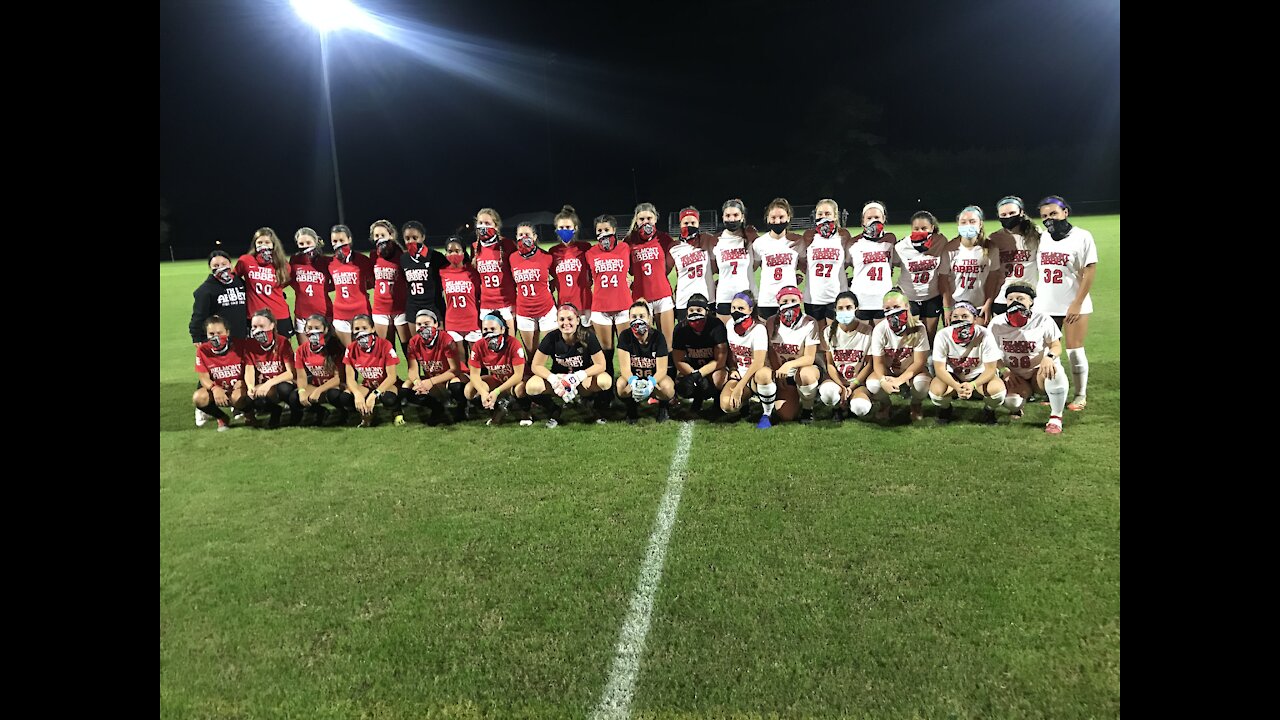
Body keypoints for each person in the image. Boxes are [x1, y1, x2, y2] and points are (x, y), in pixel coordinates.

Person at [1037, 195, 1097, 412]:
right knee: (1049, 354)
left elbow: (1090, 270)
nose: (1049, 219)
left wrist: (1077, 303)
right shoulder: (1043, 237)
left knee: (1074, 351)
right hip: (1045, 303)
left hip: (1073, 302)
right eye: (1044, 216)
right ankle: (1054, 391)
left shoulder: (1082, 236)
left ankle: (1080, 394)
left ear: (1065, 212)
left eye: (1053, 213)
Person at [987, 284, 1069, 434]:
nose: (1015, 302)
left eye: (1020, 298)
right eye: (1010, 299)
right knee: (1012, 402)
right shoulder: (997, 323)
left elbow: (1056, 346)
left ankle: (1056, 417)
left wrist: (1049, 357)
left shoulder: (1042, 319)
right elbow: (990, 353)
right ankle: (1019, 406)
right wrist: (1004, 370)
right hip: (1015, 375)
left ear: (1031, 301)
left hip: (1038, 372)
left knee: (1055, 370)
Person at [526, 303, 611, 427]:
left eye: (570, 319)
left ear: (577, 320)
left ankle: (594, 406)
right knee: (531, 387)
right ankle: (553, 408)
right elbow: (536, 365)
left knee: (605, 381)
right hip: (559, 381)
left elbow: (601, 364)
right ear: (557, 321)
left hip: (582, 381)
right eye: (562, 319)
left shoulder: (588, 336)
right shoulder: (551, 337)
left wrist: (579, 376)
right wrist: (553, 379)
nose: (566, 323)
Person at [191, 251, 250, 428]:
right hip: (216, 338)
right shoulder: (206, 289)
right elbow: (198, 317)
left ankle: (238, 406)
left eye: (223, 264)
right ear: (210, 268)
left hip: (238, 337)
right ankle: (203, 407)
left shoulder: (239, 283)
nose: (220, 268)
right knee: (211, 370)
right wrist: (197, 337)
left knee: (235, 371)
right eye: (215, 266)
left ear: (230, 264)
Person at [928, 301, 1005, 425]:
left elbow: (991, 369)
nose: (960, 320)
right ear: (950, 318)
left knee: (998, 392)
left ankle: (989, 410)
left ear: (975, 319)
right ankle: (945, 409)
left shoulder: (985, 334)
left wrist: (973, 385)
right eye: (955, 316)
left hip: (979, 376)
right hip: (953, 376)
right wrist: (956, 386)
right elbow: (939, 369)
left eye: (965, 316)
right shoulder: (943, 335)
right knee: (936, 392)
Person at [585, 214, 632, 412]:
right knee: (606, 353)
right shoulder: (590, 252)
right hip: (601, 308)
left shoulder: (624, 248)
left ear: (614, 230)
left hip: (622, 306)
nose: (602, 234)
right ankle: (607, 394)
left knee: (626, 351)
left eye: (606, 230)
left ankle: (628, 393)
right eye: (599, 231)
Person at [867, 290, 932, 421]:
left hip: (911, 371)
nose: (892, 312)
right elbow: (878, 363)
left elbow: (919, 362)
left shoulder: (919, 328)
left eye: (897, 307)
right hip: (889, 370)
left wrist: (899, 380)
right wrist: (882, 380)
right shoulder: (880, 329)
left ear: (907, 306)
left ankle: (916, 404)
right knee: (873, 384)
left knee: (922, 384)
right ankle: (885, 404)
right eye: (888, 309)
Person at [719, 290, 776, 429]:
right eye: (733, 308)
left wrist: (739, 387)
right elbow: (731, 352)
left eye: (741, 308)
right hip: (740, 374)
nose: (736, 311)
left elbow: (758, 362)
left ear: (750, 310)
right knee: (727, 405)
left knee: (763, 374)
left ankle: (767, 414)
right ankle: (746, 403)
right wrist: (732, 368)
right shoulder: (730, 325)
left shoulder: (758, 329)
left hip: (756, 376)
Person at [764, 286, 821, 423]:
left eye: (793, 300)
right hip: (783, 373)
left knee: (806, 375)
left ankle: (808, 409)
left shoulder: (809, 322)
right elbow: (771, 351)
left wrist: (789, 365)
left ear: (800, 301)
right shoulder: (771, 322)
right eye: (785, 301)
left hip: (803, 369)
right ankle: (795, 395)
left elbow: (809, 357)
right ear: (778, 303)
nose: (789, 304)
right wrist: (779, 373)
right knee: (786, 415)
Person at [893, 211, 952, 344]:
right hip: (909, 298)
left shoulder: (940, 241)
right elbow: (891, 264)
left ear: (932, 228)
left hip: (931, 296)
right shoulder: (901, 247)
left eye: (924, 228)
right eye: (916, 229)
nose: (920, 231)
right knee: (911, 340)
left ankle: (928, 363)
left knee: (929, 338)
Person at [817, 292, 875, 421]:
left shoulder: (867, 331)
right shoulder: (828, 332)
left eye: (848, 307)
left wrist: (852, 386)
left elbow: (869, 364)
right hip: (836, 380)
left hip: (857, 381)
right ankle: (837, 407)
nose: (845, 311)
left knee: (861, 408)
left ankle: (851, 402)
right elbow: (830, 364)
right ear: (835, 310)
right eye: (841, 308)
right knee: (828, 394)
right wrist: (841, 386)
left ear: (856, 308)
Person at [625, 203, 677, 349]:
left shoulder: (664, 239)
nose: (645, 222)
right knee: (643, 343)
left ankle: (669, 371)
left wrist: (659, 276)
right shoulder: (629, 241)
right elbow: (626, 269)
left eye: (649, 218)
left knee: (667, 343)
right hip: (641, 297)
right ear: (636, 220)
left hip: (663, 295)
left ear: (655, 219)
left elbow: (670, 264)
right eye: (641, 219)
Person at [614, 300, 674, 424]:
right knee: (621, 386)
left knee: (668, 388)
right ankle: (631, 408)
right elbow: (625, 369)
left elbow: (662, 369)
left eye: (642, 316)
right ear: (629, 319)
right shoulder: (625, 336)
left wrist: (651, 383)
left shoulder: (658, 337)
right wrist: (633, 382)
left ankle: (663, 407)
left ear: (649, 318)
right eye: (634, 317)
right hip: (634, 376)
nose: (638, 320)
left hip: (653, 377)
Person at [339, 313, 404, 428]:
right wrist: (357, 394)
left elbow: (392, 377)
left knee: (388, 398)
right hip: (368, 384)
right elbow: (350, 378)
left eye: (364, 328)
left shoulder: (384, 345)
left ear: (373, 328)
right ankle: (366, 415)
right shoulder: (351, 348)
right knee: (346, 397)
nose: (361, 332)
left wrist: (374, 394)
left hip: (387, 384)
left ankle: (397, 411)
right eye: (357, 329)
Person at [800, 198, 854, 331]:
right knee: (817, 337)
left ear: (835, 216)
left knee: (836, 335)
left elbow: (847, 260)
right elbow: (802, 261)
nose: (823, 217)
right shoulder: (809, 236)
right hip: (814, 296)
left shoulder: (843, 235)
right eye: (820, 214)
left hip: (837, 295)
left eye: (827, 214)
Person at [670, 293, 728, 417]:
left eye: (699, 310)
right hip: (691, 368)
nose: (694, 313)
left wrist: (700, 374)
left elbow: (720, 360)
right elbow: (678, 359)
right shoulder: (680, 329)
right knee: (682, 386)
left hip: (712, 368)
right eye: (691, 310)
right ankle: (697, 402)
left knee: (719, 378)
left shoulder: (716, 326)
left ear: (706, 311)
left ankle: (718, 404)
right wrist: (693, 375)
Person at [465, 313, 528, 425]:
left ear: (502, 329)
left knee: (519, 390)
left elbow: (518, 375)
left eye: (493, 329)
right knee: (469, 390)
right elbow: (474, 375)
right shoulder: (479, 345)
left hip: (516, 381)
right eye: (485, 329)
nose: (489, 333)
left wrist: (496, 391)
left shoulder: (513, 344)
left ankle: (525, 411)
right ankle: (498, 409)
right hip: (497, 379)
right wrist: (484, 393)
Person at [404, 309, 464, 425]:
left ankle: (460, 409)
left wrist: (430, 382)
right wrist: (417, 382)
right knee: (406, 388)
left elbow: (455, 370)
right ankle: (438, 409)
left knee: (455, 385)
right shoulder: (413, 342)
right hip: (431, 378)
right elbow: (412, 369)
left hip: (450, 376)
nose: (422, 327)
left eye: (427, 324)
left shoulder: (446, 339)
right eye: (419, 324)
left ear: (436, 324)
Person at [192, 315, 249, 432]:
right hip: (218, 389)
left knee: (237, 397)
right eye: (211, 334)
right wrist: (214, 388)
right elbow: (203, 377)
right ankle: (222, 418)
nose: (215, 337)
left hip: (238, 388)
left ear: (227, 332)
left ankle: (249, 415)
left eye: (219, 333)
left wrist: (244, 382)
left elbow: (250, 368)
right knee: (199, 397)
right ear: (206, 335)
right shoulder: (202, 350)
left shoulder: (240, 346)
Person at [287, 313, 347, 426]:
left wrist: (319, 390)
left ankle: (343, 413)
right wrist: (302, 391)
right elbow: (301, 376)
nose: (313, 331)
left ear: (325, 330)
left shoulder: (335, 347)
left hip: (334, 386)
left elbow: (339, 377)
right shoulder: (301, 350)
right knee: (294, 397)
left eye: (317, 328)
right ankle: (319, 411)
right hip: (316, 384)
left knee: (333, 395)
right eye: (309, 328)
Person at [986, 195, 1040, 317]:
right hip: (1001, 297)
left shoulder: (1035, 234)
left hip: (1027, 296)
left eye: (1012, 213)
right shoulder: (994, 238)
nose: (1008, 217)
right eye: (1003, 215)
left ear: (1021, 212)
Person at [242, 308, 297, 428]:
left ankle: (296, 412)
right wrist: (250, 386)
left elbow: (291, 372)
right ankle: (275, 411)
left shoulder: (282, 342)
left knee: (284, 389)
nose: (257, 330)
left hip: (281, 383)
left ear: (272, 325)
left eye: (261, 326)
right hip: (263, 385)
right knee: (249, 397)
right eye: (254, 326)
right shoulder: (250, 344)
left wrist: (269, 383)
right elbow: (249, 369)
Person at [237, 227, 294, 340]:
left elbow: (284, 282)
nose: (263, 245)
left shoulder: (282, 264)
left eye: (267, 242)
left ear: (273, 244)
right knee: (256, 353)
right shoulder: (245, 261)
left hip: (279, 314)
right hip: (254, 316)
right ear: (255, 244)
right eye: (259, 242)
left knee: (282, 352)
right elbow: (233, 279)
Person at [510, 222, 558, 352]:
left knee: (554, 351)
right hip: (524, 312)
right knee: (531, 354)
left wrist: (550, 287)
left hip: (546, 310)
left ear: (535, 237)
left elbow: (557, 277)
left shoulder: (546, 256)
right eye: (520, 235)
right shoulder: (512, 258)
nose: (523, 237)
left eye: (527, 234)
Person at [753, 198, 803, 320]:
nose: (777, 221)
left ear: (788, 217)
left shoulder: (797, 242)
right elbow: (754, 267)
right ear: (767, 218)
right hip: (767, 299)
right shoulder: (759, 243)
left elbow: (806, 266)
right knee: (768, 336)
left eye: (781, 217)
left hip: (790, 298)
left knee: (790, 337)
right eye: (773, 217)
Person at [472, 207, 518, 337]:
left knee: (509, 343)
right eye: (480, 223)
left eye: (487, 223)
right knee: (490, 345)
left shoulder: (507, 244)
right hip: (486, 303)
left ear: (496, 226)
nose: (483, 227)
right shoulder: (475, 247)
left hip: (506, 302)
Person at [847, 202, 897, 322]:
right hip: (860, 298)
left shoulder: (890, 240)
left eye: (877, 217)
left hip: (883, 297)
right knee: (862, 339)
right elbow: (843, 264)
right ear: (863, 221)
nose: (873, 221)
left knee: (882, 339)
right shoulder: (854, 243)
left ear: (884, 219)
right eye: (869, 218)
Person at [712, 198, 758, 325]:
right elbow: (713, 268)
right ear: (722, 217)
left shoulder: (750, 238)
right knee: (724, 342)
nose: (732, 219)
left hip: (747, 295)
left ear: (742, 217)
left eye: (735, 215)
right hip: (724, 297)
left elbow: (756, 264)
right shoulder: (716, 240)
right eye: (728, 215)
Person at [947, 206, 996, 325]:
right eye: (963, 222)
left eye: (972, 221)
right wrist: (946, 308)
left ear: (980, 224)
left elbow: (993, 279)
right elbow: (943, 281)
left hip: (980, 305)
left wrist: (988, 304)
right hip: (956, 305)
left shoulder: (990, 248)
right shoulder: (950, 248)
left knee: (978, 339)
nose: (967, 225)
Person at [400, 220, 448, 336]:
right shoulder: (404, 259)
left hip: (434, 305)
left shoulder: (436, 256)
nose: (411, 241)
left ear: (423, 237)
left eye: (415, 237)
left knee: (439, 345)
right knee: (418, 345)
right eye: (407, 238)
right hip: (413, 307)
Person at [328, 224, 374, 346]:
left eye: (342, 240)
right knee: (347, 354)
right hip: (340, 314)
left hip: (361, 312)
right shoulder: (331, 263)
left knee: (364, 353)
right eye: (335, 241)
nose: (338, 244)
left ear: (349, 239)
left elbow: (373, 282)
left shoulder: (362, 260)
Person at [368, 219, 410, 351]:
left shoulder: (402, 255)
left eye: (382, 235)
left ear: (391, 235)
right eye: (376, 236)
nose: (379, 238)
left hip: (400, 309)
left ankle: (412, 372)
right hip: (380, 309)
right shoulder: (373, 255)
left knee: (407, 349)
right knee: (386, 350)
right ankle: (392, 373)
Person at [669, 207, 716, 323]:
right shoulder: (674, 247)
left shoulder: (707, 239)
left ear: (698, 223)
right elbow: (663, 271)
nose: (689, 225)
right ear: (680, 224)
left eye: (693, 222)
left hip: (707, 297)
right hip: (684, 300)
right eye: (685, 223)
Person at [550, 205, 593, 326]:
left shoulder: (585, 248)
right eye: (561, 227)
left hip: (584, 303)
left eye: (568, 227)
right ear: (556, 229)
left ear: (575, 228)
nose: (565, 230)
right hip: (564, 305)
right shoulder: (553, 252)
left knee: (586, 340)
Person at [289, 228, 332, 344]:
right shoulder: (294, 261)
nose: (305, 246)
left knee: (327, 354)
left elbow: (336, 282)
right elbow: (291, 281)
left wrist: (324, 289)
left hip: (324, 312)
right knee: (305, 353)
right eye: (301, 243)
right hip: (302, 314)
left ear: (316, 242)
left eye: (308, 243)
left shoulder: (326, 261)